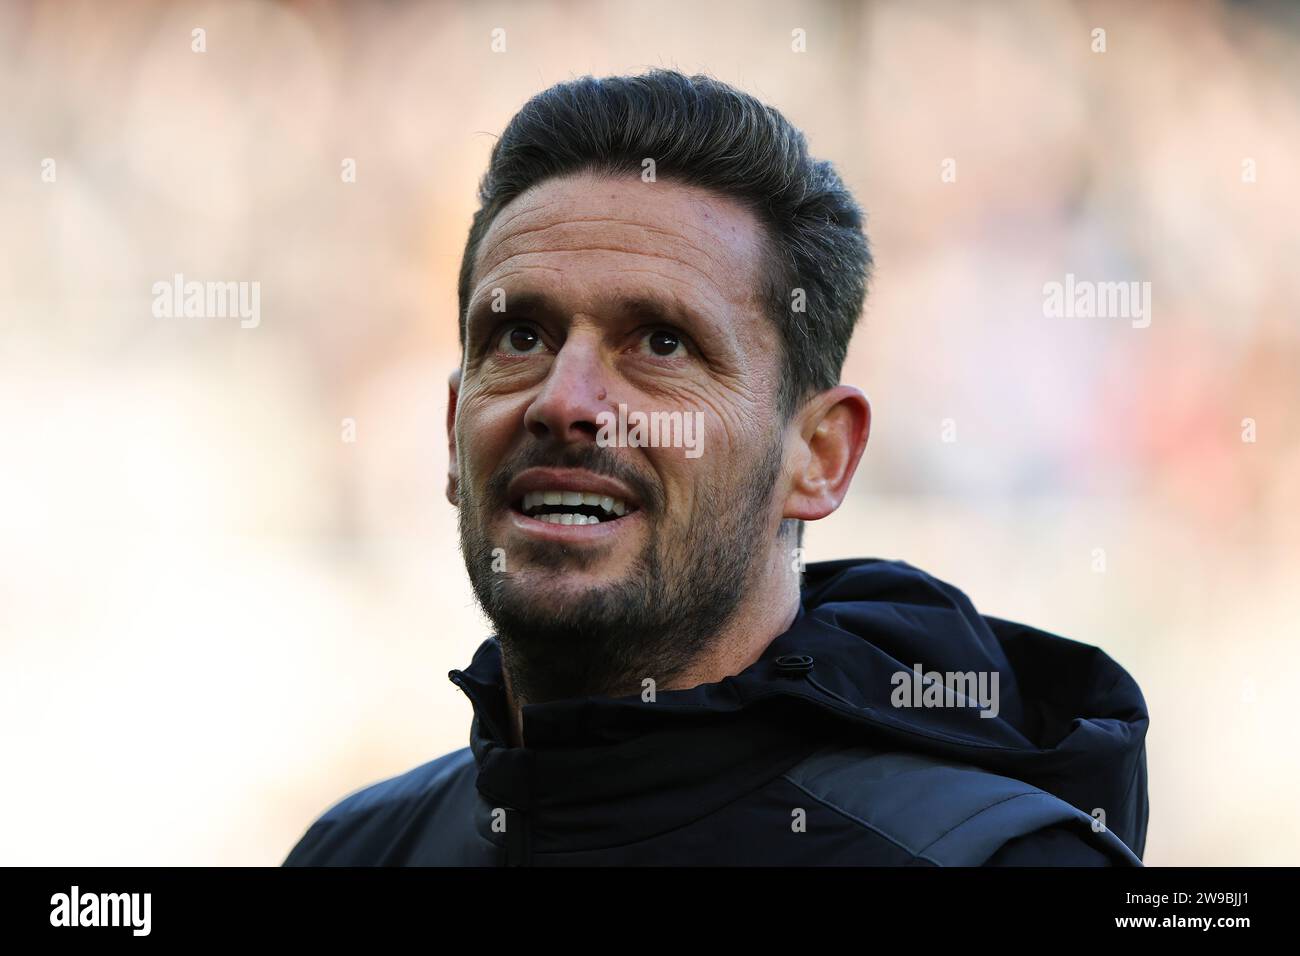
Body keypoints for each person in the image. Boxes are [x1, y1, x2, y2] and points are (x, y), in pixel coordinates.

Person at [283, 69, 1148, 866]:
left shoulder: (995, 861)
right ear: (450, 429)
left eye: (662, 343)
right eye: (519, 337)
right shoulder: (356, 851)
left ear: (819, 456)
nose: (563, 401)